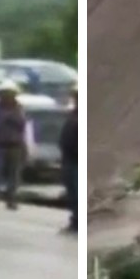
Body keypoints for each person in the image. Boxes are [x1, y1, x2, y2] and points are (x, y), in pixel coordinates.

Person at [0, 83, 33, 211]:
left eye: (10, 94)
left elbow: (22, 124)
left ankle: (11, 199)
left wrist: (11, 118)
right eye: (5, 93)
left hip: (15, 146)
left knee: (14, 175)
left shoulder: (19, 108)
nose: (7, 96)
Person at [59, 91, 78, 235]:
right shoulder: (73, 115)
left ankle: (78, 222)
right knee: (72, 193)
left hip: (76, 161)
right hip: (68, 160)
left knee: (77, 194)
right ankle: (75, 221)